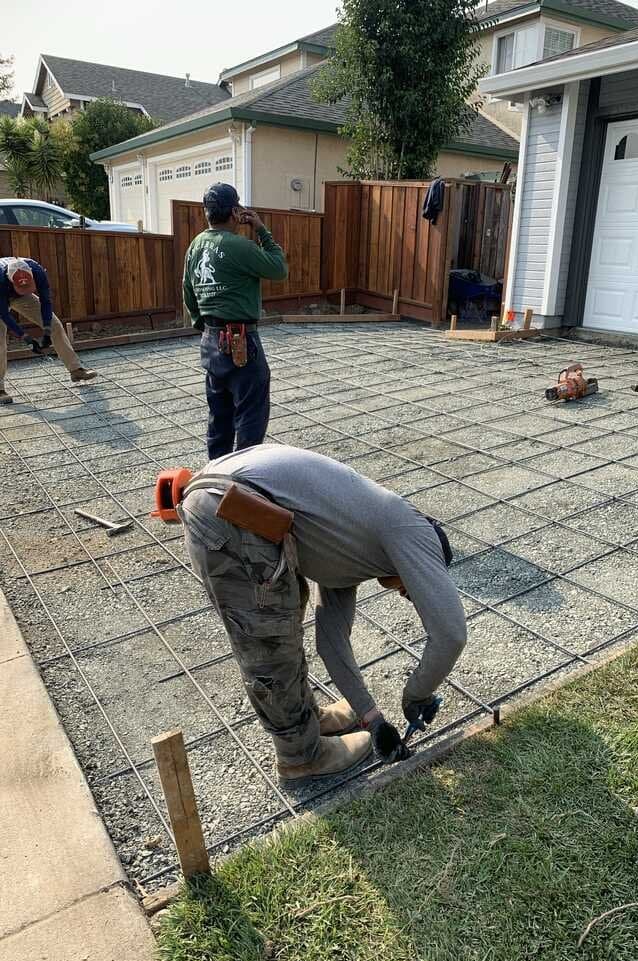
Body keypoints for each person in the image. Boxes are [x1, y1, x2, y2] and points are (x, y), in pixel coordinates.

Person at [153, 445, 467, 786]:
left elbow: (330, 643)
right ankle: (301, 757)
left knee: (283, 625)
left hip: (229, 497)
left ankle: (308, 721)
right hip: (233, 508)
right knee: (269, 642)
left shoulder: (350, 545)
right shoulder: (412, 532)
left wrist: (372, 720)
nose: (408, 595)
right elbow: (450, 635)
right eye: (413, 588)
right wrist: (416, 696)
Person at [182, 183, 288, 459]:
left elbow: (188, 293)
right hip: (240, 341)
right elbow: (279, 268)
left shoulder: (195, 246)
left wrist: (204, 328)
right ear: (234, 211)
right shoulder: (240, 246)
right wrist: (261, 229)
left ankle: (215, 475)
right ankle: (242, 480)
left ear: (207, 213)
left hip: (211, 341)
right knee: (251, 414)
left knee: (219, 415)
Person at [0, 257, 97, 405]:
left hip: (19, 295)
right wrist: (26, 338)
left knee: (55, 325)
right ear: (10, 279)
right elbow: (4, 315)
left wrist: (46, 330)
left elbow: (46, 301)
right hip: (1, 296)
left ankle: (76, 370)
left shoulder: (37, 270)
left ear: (31, 274)